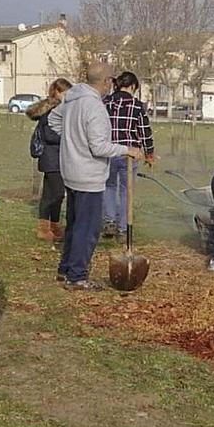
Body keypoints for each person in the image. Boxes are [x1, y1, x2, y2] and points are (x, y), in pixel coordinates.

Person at [51, 61, 144, 290]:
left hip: (71, 171)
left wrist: (73, 140)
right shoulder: (95, 107)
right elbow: (100, 148)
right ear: (106, 82)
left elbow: (53, 120)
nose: (112, 84)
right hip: (88, 176)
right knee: (88, 228)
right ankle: (77, 277)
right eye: (111, 80)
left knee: (74, 223)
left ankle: (66, 269)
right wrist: (127, 149)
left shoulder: (72, 99)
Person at [102, 71, 154, 238]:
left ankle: (109, 221)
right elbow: (145, 132)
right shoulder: (137, 106)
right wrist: (149, 153)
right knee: (126, 191)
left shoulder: (105, 102)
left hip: (108, 151)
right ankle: (123, 228)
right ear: (132, 86)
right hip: (130, 154)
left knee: (109, 186)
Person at [28, 78, 72, 242]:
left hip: (57, 157)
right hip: (51, 157)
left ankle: (53, 226)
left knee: (53, 194)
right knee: (56, 193)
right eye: (65, 92)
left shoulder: (60, 109)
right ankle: (45, 227)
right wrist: (68, 137)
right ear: (57, 92)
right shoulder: (51, 112)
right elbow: (50, 135)